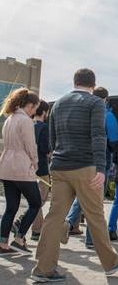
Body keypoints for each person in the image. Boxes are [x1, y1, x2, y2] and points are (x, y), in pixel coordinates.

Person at [31, 69, 118, 282]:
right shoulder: (95, 104)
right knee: (95, 215)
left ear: (75, 82)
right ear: (93, 85)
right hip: (85, 167)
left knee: (54, 216)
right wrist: (101, 168)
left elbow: (52, 138)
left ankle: (43, 268)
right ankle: (110, 262)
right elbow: (98, 135)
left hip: (59, 166)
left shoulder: (58, 104)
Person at [65, 86, 118, 247]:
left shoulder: (83, 112)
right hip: (101, 159)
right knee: (95, 200)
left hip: (82, 159)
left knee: (83, 196)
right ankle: (91, 239)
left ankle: (67, 224)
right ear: (105, 99)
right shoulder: (107, 115)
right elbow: (114, 140)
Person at [0, 88, 41, 255]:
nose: (34, 112)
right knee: (36, 203)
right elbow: (30, 146)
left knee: (11, 208)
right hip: (22, 167)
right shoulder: (25, 121)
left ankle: (3, 244)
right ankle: (19, 238)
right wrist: (35, 163)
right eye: (35, 108)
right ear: (29, 105)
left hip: (6, 166)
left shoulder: (10, 119)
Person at [30, 100, 51, 241]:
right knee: (40, 200)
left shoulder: (29, 125)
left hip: (29, 168)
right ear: (44, 112)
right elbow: (45, 148)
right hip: (42, 168)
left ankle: (37, 231)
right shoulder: (44, 127)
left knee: (35, 200)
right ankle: (22, 220)